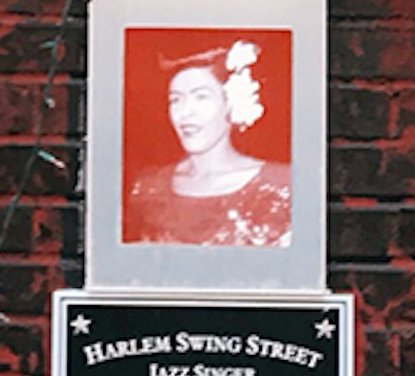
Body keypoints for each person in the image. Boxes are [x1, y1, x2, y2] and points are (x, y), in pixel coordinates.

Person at [121, 39, 295, 249]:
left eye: (201, 97)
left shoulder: (281, 186)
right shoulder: (148, 188)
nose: (185, 112)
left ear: (231, 103)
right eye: (176, 100)